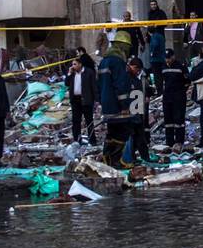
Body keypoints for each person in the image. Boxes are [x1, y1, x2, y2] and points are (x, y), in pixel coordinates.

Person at [99, 29, 136, 168]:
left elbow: (99, 84)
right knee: (123, 131)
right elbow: (121, 85)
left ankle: (106, 158)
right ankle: (115, 160)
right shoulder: (118, 62)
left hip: (107, 104)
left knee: (112, 131)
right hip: (117, 105)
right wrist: (125, 106)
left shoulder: (104, 61)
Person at [126, 55, 153, 164]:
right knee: (134, 136)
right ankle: (133, 157)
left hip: (136, 110)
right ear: (133, 67)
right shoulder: (127, 79)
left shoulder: (136, 79)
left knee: (139, 136)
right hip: (131, 112)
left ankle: (143, 157)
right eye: (137, 69)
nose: (138, 72)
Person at [66, 55, 98, 144]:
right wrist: (68, 73)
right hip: (75, 100)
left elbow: (94, 86)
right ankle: (77, 140)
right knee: (76, 121)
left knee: (89, 121)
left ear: (80, 64)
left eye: (75, 64)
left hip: (86, 100)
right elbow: (66, 83)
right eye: (72, 64)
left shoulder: (89, 72)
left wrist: (96, 100)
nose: (73, 66)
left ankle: (92, 141)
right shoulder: (72, 73)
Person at [160, 51, 188, 148]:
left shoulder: (180, 66)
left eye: (169, 58)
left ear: (173, 57)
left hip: (178, 97)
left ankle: (179, 141)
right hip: (167, 97)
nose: (167, 60)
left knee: (179, 120)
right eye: (166, 58)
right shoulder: (163, 66)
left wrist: (181, 90)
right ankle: (169, 142)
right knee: (168, 121)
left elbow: (187, 80)